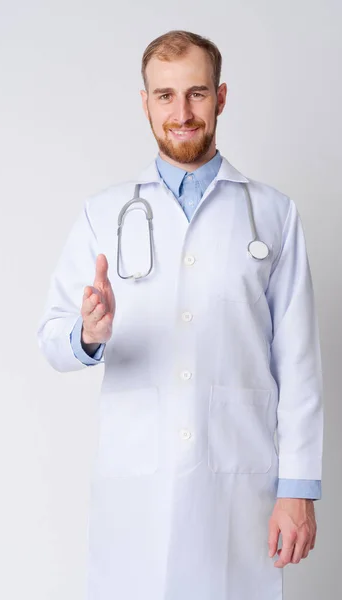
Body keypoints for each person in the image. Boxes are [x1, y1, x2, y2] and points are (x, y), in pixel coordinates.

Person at [37, 29, 323, 600]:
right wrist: (88, 334)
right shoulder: (104, 212)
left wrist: (298, 490)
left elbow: (299, 361)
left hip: (239, 483)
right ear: (144, 103)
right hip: (136, 490)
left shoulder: (271, 213)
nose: (182, 112)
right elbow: (52, 339)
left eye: (196, 93)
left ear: (220, 97)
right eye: (165, 96)